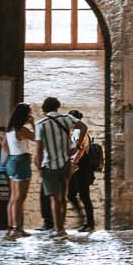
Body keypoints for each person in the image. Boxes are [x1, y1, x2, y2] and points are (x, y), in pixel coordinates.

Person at [35, 96, 78, 239]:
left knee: (54, 199)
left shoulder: (41, 124)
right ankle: (62, 228)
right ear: (57, 107)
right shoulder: (67, 119)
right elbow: (82, 127)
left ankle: (58, 229)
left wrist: (39, 167)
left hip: (50, 165)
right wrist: (75, 145)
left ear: (44, 108)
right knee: (63, 197)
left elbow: (39, 149)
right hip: (65, 163)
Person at [3, 102, 36, 239]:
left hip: (12, 160)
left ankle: (11, 227)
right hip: (21, 161)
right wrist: (33, 123)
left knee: (13, 197)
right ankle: (17, 229)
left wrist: (12, 155)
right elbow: (37, 137)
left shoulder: (9, 130)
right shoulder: (22, 130)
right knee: (20, 198)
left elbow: (4, 145)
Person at [67, 111, 103, 232]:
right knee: (79, 195)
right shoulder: (81, 132)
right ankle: (86, 222)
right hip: (83, 169)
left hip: (82, 169)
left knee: (79, 196)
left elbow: (80, 150)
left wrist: (73, 163)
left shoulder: (77, 132)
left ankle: (88, 223)